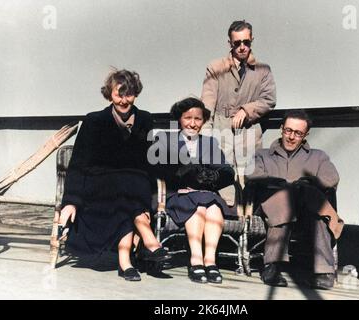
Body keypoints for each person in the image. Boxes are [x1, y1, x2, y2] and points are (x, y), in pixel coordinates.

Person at [59, 69, 170, 281]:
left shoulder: (145, 120)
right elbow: (78, 164)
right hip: (99, 188)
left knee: (129, 186)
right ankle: (148, 238)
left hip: (129, 192)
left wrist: (153, 200)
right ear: (110, 94)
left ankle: (125, 262)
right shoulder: (94, 121)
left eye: (129, 94)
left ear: (136, 94)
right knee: (127, 181)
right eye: (119, 94)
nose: (124, 100)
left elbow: (148, 163)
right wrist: (71, 201)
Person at [245, 109, 344, 290]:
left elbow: (331, 178)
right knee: (287, 198)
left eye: (298, 133)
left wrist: (308, 183)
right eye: (288, 131)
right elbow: (252, 174)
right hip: (271, 207)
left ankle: (323, 273)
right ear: (281, 129)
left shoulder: (318, 156)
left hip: (307, 209)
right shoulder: (263, 155)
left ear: (305, 135)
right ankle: (272, 266)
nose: (291, 137)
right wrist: (282, 184)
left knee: (317, 211)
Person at [149, 97, 236, 284]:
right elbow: (156, 169)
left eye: (198, 119)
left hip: (205, 195)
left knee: (212, 205)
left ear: (203, 121)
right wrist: (184, 173)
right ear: (179, 119)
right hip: (175, 194)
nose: (193, 123)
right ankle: (196, 260)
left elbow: (227, 171)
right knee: (200, 205)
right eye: (188, 118)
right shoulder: (165, 140)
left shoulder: (209, 143)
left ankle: (210, 262)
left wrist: (211, 177)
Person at [201, 20, 276, 205]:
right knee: (220, 175)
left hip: (249, 131)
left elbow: (269, 99)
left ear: (252, 40)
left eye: (246, 42)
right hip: (221, 127)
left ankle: (246, 226)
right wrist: (205, 136)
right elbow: (207, 103)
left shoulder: (263, 70)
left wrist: (247, 110)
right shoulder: (216, 67)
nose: (242, 47)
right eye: (237, 43)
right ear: (230, 43)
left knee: (248, 178)